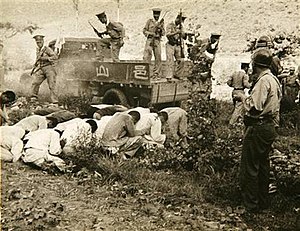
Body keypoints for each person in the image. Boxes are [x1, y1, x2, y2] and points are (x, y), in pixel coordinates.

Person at [240, 48, 282, 213]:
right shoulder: (273, 79)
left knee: (250, 167)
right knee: (264, 166)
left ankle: (250, 206)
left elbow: (255, 107)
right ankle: (263, 204)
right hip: (269, 127)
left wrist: (243, 98)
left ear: (255, 64)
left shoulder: (263, 81)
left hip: (258, 126)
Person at [30, 34, 59, 104]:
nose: (38, 43)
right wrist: (35, 66)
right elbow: (38, 60)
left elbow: (55, 57)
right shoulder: (38, 50)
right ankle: (34, 98)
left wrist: (46, 58)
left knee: (52, 85)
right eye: (37, 42)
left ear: (43, 41)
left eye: (40, 42)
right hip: (41, 68)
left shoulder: (47, 49)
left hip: (49, 68)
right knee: (35, 82)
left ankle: (55, 101)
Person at [143, 8, 165, 79]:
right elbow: (144, 30)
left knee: (158, 57)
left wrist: (160, 29)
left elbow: (164, 33)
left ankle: (156, 74)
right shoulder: (149, 21)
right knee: (146, 56)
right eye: (155, 15)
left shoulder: (161, 23)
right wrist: (151, 33)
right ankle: (146, 73)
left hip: (157, 41)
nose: (156, 16)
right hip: (149, 40)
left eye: (157, 15)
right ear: (153, 14)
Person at [165, 12, 187, 81]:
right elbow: (168, 35)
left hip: (178, 45)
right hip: (170, 45)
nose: (182, 21)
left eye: (183, 20)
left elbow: (184, 37)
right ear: (177, 18)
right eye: (181, 20)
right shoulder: (170, 25)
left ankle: (178, 74)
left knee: (181, 60)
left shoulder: (181, 27)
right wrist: (176, 32)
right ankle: (169, 76)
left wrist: (183, 33)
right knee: (170, 61)